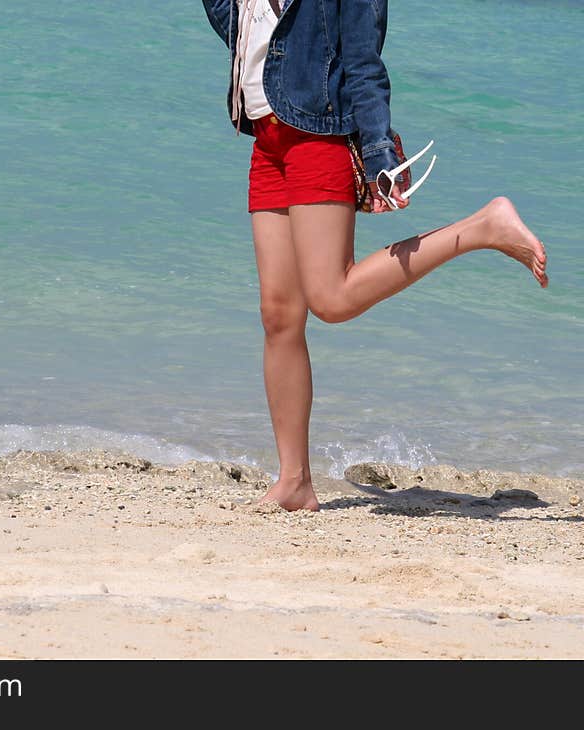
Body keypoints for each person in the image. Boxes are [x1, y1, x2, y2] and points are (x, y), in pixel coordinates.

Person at [201, 0, 548, 512]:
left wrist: (380, 151)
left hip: (318, 136)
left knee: (333, 298)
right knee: (279, 315)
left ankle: (481, 228)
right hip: (267, 140)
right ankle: (294, 481)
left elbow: (364, 63)